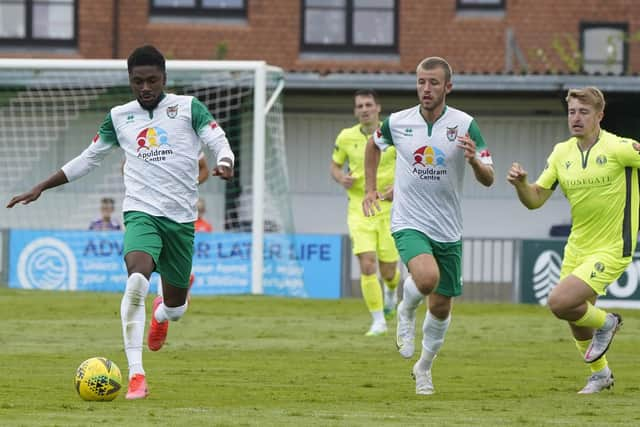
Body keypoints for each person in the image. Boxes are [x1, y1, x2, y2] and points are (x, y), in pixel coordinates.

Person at [6, 45, 235, 400]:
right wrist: (41, 186)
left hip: (180, 222)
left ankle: (163, 313)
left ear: (164, 78)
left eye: (152, 80)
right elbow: (88, 158)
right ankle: (136, 375)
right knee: (136, 281)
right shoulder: (119, 117)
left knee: (176, 309)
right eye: (137, 81)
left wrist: (225, 161)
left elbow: (217, 138)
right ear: (129, 80)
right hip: (140, 213)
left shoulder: (188, 108)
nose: (145, 87)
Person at [363, 57, 494, 395]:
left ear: (448, 87)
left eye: (433, 83)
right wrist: (370, 188)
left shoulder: (466, 125)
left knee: (440, 305)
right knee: (426, 278)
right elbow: (372, 146)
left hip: (448, 228)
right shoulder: (398, 122)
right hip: (409, 220)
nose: (426, 88)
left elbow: (489, 177)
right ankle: (405, 310)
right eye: (421, 82)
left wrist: (475, 161)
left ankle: (423, 367)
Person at [507, 86, 637, 394]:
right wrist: (522, 185)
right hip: (577, 247)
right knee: (574, 316)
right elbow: (535, 200)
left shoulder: (620, 148)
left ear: (599, 116)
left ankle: (608, 323)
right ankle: (600, 374)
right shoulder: (560, 153)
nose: (576, 118)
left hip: (613, 245)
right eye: (571, 112)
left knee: (559, 301)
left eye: (584, 112)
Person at [331, 89, 401, 337]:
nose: (364, 109)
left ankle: (391, 292)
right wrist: (342, 178)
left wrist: (400, 186)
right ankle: (378, 320)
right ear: (355, 111)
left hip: (391, 209)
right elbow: (335, 166)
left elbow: (409, 164)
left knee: (389, 271)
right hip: (359, 208)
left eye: (368, 105)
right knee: (367, 264)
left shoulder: (394, 133)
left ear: (378, 108)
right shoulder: (345, 137)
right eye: (359, 106)